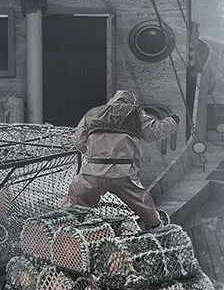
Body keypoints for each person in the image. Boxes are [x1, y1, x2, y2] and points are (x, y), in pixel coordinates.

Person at [65, 90, 178, 229]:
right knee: (142, 203)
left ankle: (68, 228)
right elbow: (154, 132)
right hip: (123, 173)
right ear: (131, 102)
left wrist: (94, 152)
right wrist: (173, 121)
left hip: (93, 172)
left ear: (114, 100)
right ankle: (157, 227)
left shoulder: (92, 114)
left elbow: (79, 142)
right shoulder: (135, 113)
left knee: (75, 200)